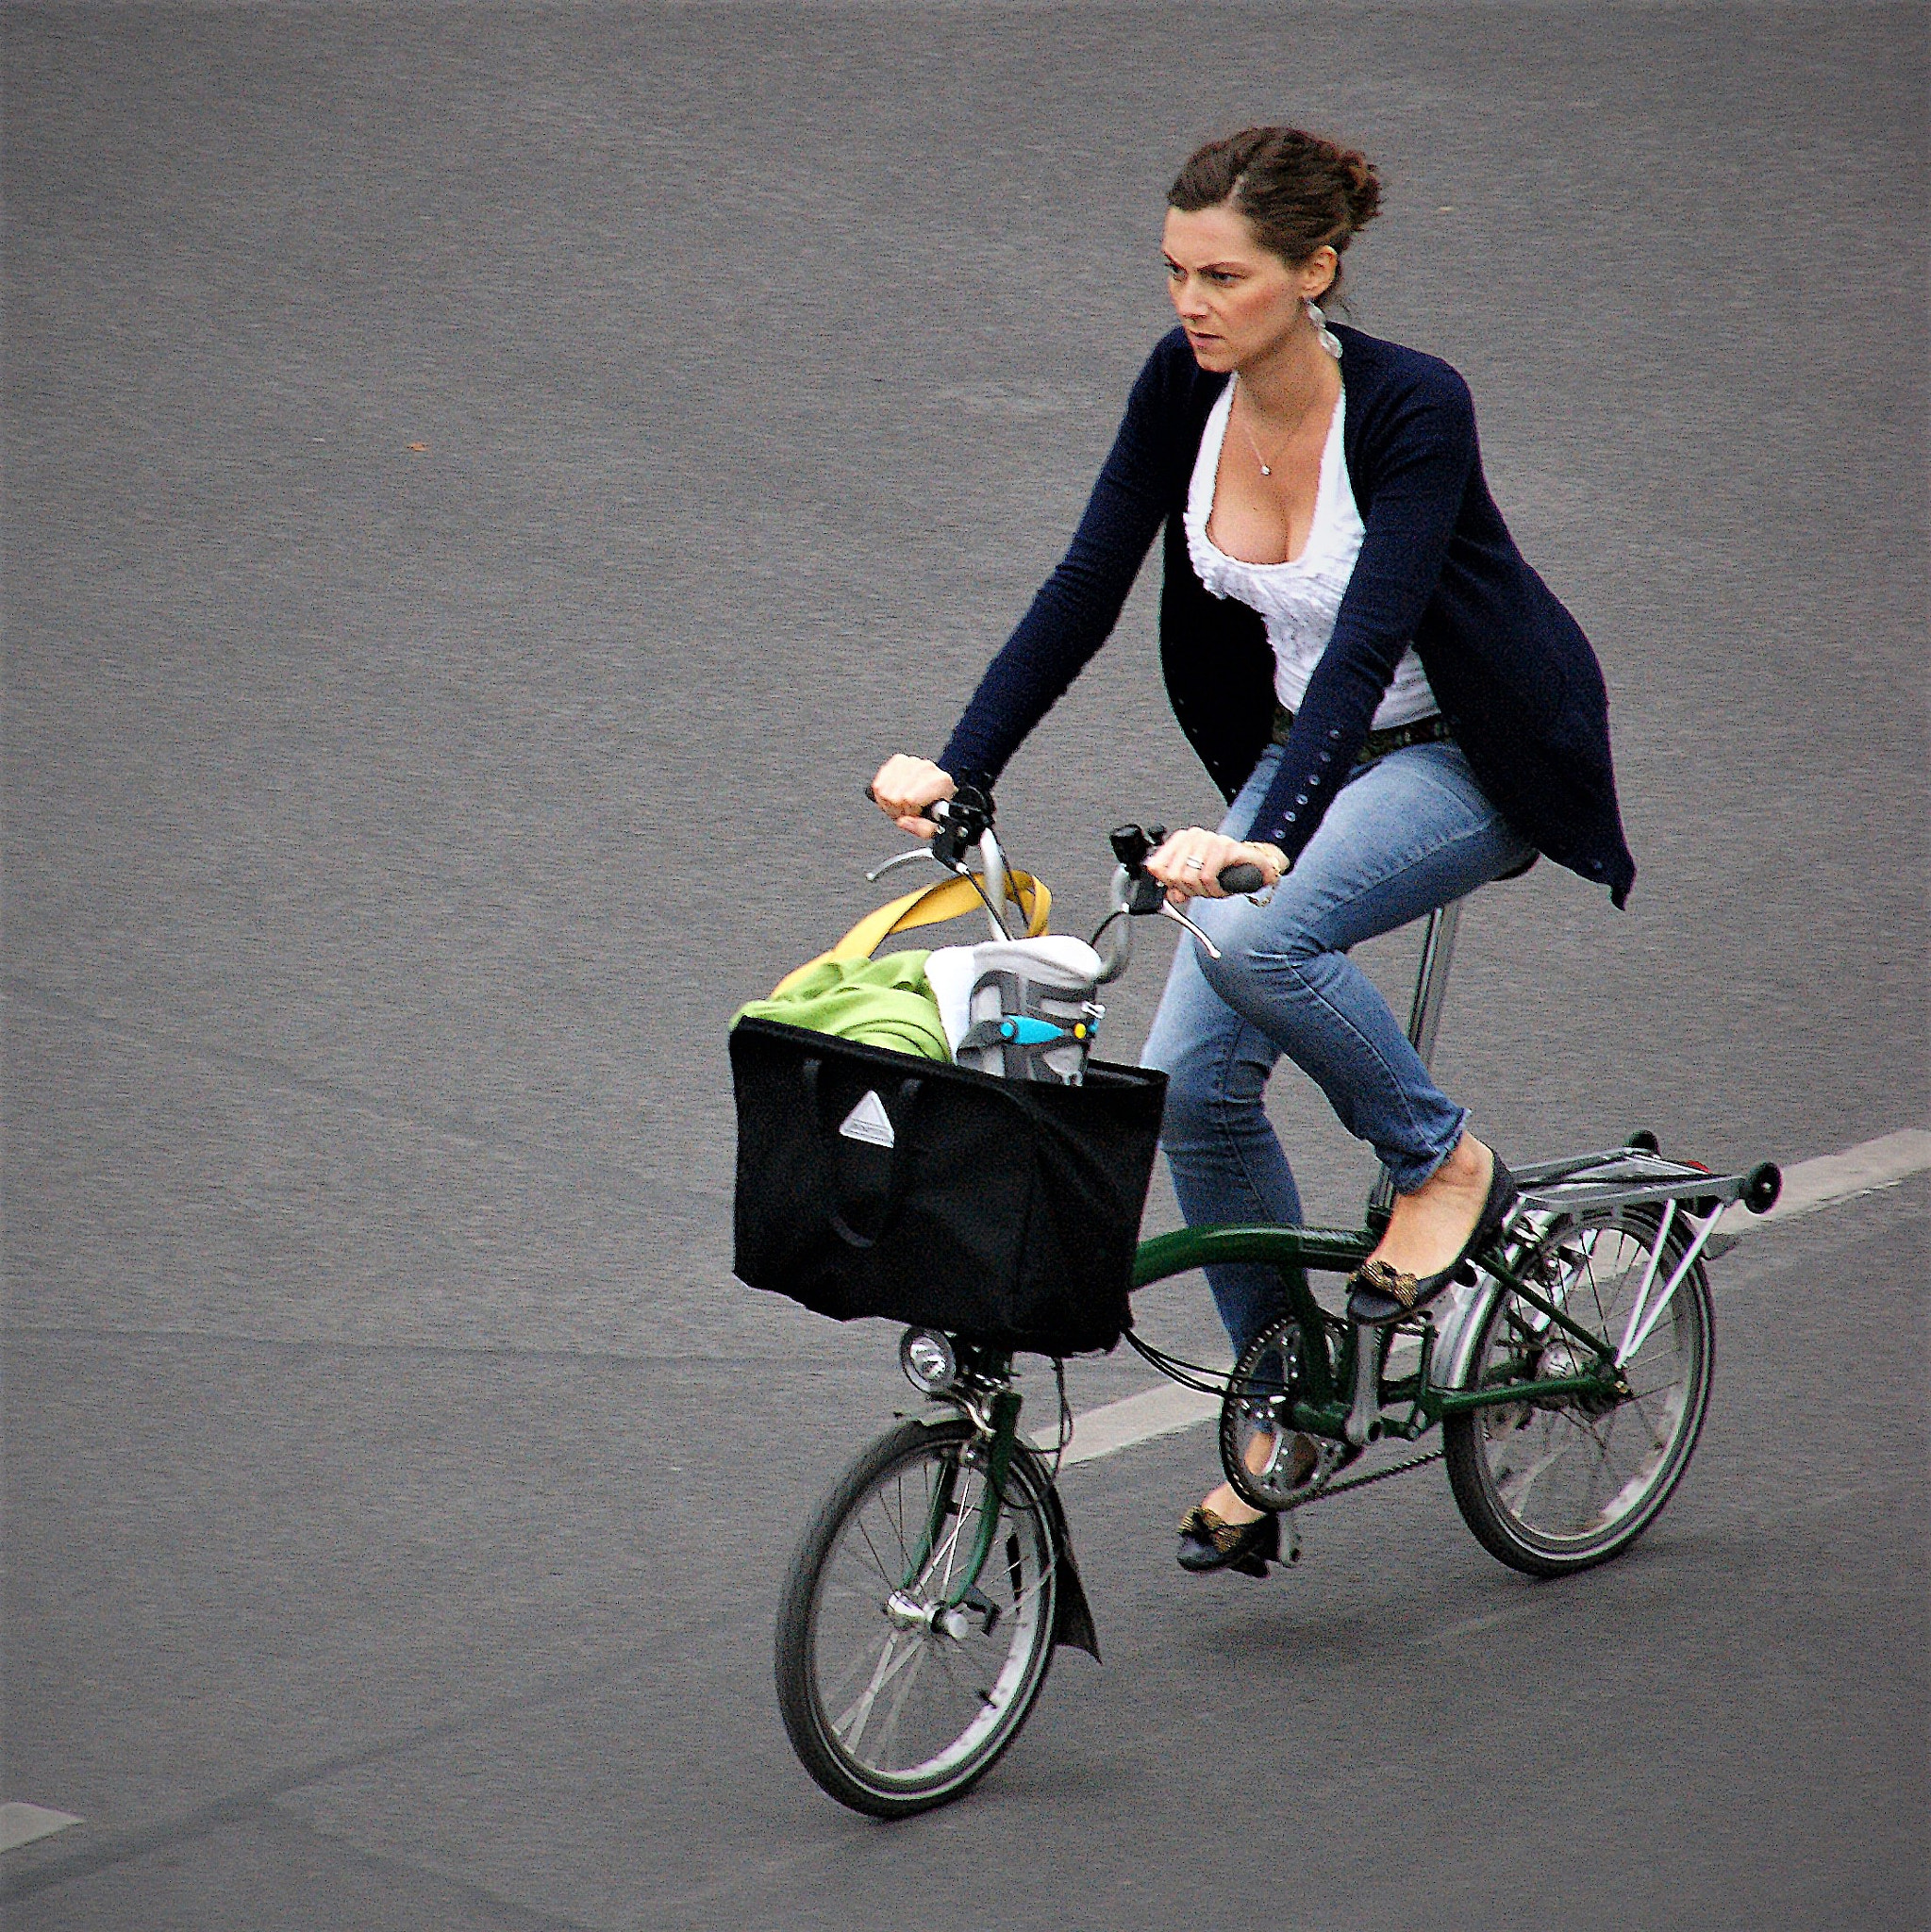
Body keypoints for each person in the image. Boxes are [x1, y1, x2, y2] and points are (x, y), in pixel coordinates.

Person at [870, 126, 1635, 1576]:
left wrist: (1261, 845)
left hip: (1466, 746)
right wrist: (962, 767)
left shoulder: (1412, 406)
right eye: (1175, 272)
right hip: (1312, 756)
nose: (1191, 303)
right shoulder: (1187, 388)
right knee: (1192, 1092)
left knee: (1254, 934)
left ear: (1315, 272)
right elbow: (1090, 577)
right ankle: (1293, 1396)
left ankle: (1439, 1156)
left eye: (1224, 276)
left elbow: (1365, 642)